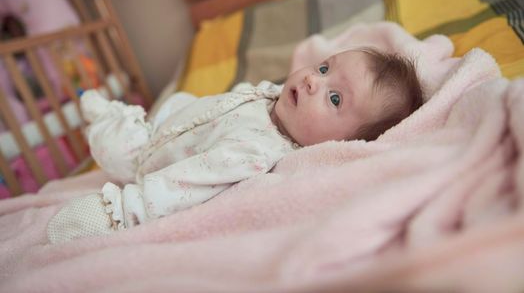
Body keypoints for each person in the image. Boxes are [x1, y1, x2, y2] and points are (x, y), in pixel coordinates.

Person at [47, 47, 423, 243]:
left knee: (114, 145)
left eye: (335, 98)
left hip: (148, 161)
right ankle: (119, 115)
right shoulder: (276, 99)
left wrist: (125, 210)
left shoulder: (254, 154)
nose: (312, 80)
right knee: (180, 99)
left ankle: (108, 118)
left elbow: (185, 185)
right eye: (324, 68)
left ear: (344, 143)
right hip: (175, 125)